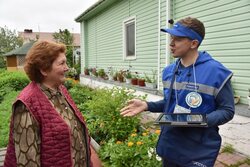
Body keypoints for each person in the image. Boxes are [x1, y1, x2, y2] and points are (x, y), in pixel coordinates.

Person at [121, 17, 235, 167]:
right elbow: (169, 103)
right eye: (171, 37)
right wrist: (147, 105)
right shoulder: (169, 71)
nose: (171, 43)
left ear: (194, 43)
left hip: (198, 150)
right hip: (171, 145)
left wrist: (199, 120)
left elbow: (227, 110)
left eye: (178, 39)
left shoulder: (216, 72)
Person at [4, 41, 102, 167]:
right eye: (62, 63)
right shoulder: (26, 105)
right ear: (44, 69)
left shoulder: (60, 90)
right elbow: (27, 161)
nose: (67, 68)